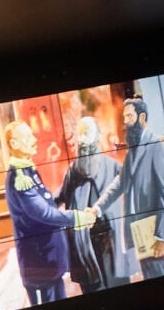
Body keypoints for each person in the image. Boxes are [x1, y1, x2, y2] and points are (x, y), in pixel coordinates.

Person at [3, 120, 96, 305]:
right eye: (27, 136)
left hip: (48, 264)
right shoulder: (19, 177)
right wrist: (79, 217)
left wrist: (67, 189)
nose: (33, 139)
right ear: (14, 144)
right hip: (40, 265)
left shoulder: (28, 170)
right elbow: (43, 213)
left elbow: (45, 202)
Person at [95, 97, 164, 279]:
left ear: (142, 117)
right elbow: (120, 183)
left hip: (153, 234)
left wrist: (161, 237)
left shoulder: (156, 146)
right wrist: (97, 208)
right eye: (124, 117)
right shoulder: (133, 149)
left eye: (129, 117)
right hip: (139, 234)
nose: (125, 122)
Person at [56, 116, 134, 293]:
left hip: (110, 236)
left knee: (116, 283)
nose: (86, 152)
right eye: (83, 148)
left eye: (89, 147)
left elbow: (131, 183)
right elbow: (60, 196)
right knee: (93, 286)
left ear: (97, 140)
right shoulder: (73, 171)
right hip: (85, 240)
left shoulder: (111, 166)